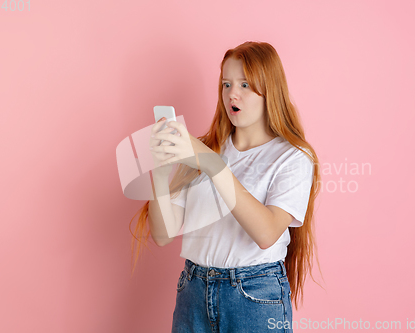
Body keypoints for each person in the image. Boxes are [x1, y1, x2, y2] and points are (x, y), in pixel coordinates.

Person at [130, 41, 323, 332]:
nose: (233, 93)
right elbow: (163, 234)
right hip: (193, 291)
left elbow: (267, 232)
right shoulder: (206, 148)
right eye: (226, 84)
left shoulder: (293, 157)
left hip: (253, 296)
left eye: (246, 84)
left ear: (270, 89)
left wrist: (213, 165)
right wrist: (160, 171)